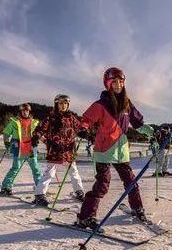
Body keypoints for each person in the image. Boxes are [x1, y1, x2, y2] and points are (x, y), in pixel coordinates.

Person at [75, 67, 154, 230]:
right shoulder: (101, 104)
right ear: (108, 84)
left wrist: (154, 133)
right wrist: (83, 128)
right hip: (104, 150)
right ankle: (86, 217)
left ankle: (137, 207)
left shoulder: (127, 104)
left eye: (121, 81)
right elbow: (87, 119)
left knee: (131, 181)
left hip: (121, 150)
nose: (118, 85)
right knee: (102, 185)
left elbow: (139, 124)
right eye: (114, 82)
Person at [33, 94, 87, 206]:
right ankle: (39, 194)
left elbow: (80, 128)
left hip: (68, 150)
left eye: (65, 103)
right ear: (56, 104)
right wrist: (36, 136)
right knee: (49, 172)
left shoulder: (71, 118)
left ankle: (79, 191)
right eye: (61, 103)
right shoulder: (51, 117)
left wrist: (85, 133)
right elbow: (40, 128)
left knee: (73, 171)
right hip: (55, 149)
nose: (63, 106)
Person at [0, 103, 42, 196]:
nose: (25, 112)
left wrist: (48, 143)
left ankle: (40, 188)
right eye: (23, 110)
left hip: (31, 149)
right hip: (19, 149)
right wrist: (6, 143)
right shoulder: (14, 121)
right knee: (15, 168)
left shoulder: (35, 122)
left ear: (29, 111)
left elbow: (40, 135)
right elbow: (6, 133)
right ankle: (6, 187)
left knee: (36, 169)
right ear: (21, 111)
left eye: (26, 110)